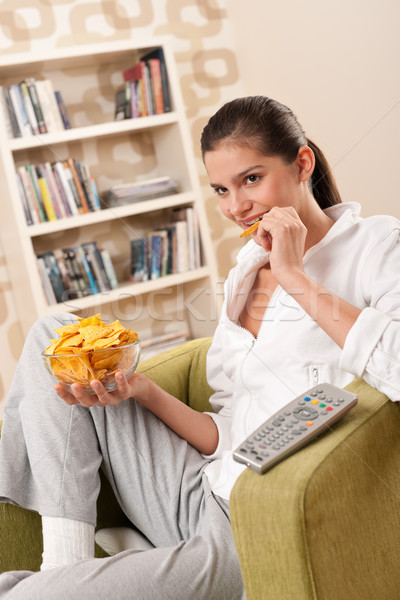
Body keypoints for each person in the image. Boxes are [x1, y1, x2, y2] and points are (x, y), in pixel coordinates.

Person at [1, 95, 400, 599]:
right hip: (201, 487)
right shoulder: (245, 270)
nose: (236, 207)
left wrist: (295, 276)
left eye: (251, 179)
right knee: (51, 334)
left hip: (254, 521)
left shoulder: (376, 246)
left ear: (302, 164)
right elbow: (228, 431)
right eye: (221, 189)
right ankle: (64, 561)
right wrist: (141, 391)